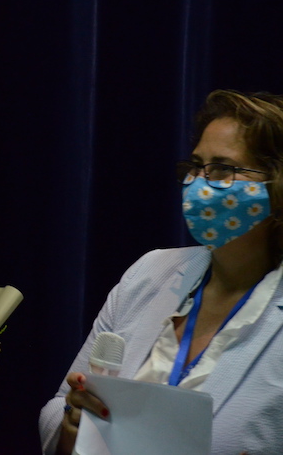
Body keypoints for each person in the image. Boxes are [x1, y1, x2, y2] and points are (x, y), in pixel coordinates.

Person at [39, 89, 283, 455]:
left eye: (222, 169)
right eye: (196, 166)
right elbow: (61, 404)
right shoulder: (151, 272)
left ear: (276, 185)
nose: (198, 183)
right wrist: (73, 423)